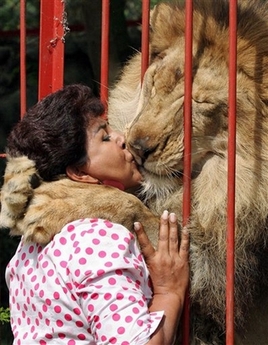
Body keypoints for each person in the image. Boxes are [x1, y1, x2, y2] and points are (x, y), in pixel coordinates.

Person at [4, 84, 189, 345]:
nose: (122, 138)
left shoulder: (29, 245)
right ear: (79, 173)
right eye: (104, 137)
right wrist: (170, 292)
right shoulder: (97, 237)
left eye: (110, 128)